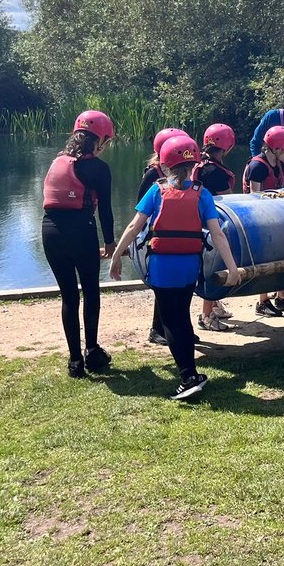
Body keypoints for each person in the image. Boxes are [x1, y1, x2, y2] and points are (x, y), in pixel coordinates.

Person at [110, 135, 242, 400]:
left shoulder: (156, 190)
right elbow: (217, 235)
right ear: (194, 164)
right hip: (189, 267)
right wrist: (233, 268)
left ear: (165, 164)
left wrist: (116, 256)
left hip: (161, 267)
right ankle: (191, 372)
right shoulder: (201, 193)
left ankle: (187, 376)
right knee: (181, 316)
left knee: (171, 322)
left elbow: (134, 226)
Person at [41, 110, 116, 378]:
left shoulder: (57, 161)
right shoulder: (98, 168)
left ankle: (74, 362)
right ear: (101, 140)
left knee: (69, 297)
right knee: (91, 292)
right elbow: (104, 209)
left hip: (50, 232)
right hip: (81, 232)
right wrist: (109, 242)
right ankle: (92, 352)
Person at [243, 125, 284, 318]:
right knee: (267, 259)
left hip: (278, 216)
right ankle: (262, 302)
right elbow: (255, 197)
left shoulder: (280, 165)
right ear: (276, 148)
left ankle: (282, 296)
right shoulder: (257, 167)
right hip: (260, 220)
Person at [138, 127, 189, 345]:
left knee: (180, 286)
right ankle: (157, 329)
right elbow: (142, 204)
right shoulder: (154, 174)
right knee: (163, 287)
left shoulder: (179, 173)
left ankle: (180, 328)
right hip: (157, 234)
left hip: (178, 233)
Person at [194, 123, 237, 330]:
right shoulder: (216, 172)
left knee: (206, 266)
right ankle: (207, 315)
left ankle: (214, 305)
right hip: (211, 224)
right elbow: (227, 202)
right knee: (213, 266)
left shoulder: (198, 164)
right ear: (227, 147)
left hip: (194, 222)